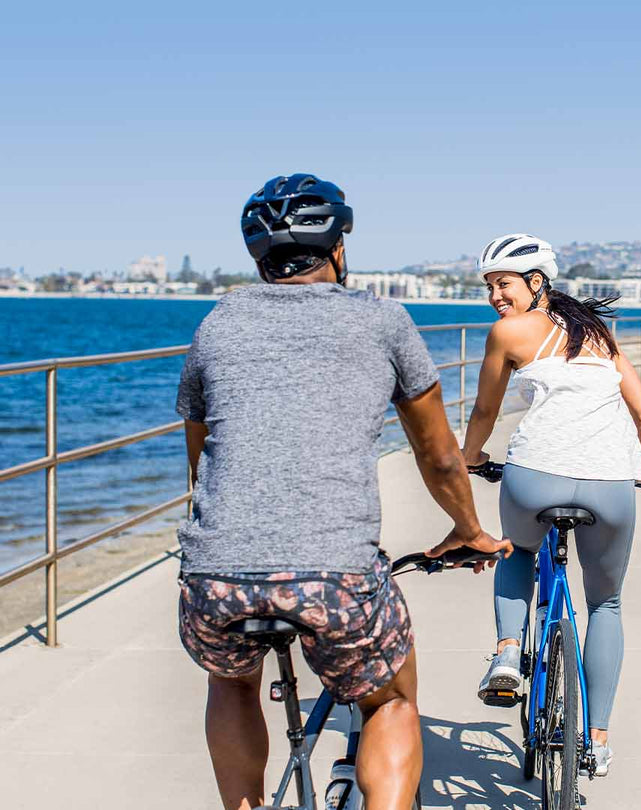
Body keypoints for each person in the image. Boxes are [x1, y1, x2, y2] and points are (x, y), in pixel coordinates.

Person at [175, 173, 509, 810]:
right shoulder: (383, 321)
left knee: (232, 680)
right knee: (392, 700)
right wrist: (468, 530)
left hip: (214, 576)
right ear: (339, 249)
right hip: (335, 576)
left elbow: (202, 464)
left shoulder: (216, 324)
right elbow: (439, 456)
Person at [460, 233, 641, 777]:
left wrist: (469, 457)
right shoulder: (599, 333)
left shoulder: (508, 333)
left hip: (533, 479)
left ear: (536, 282)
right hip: (610, 485)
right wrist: (639, 471)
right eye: (489, 287)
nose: (495, 296)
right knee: (606, 605)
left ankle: (506, 653)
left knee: (516, 552)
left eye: (503, 284)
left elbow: (484, 409)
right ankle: (596, 740)